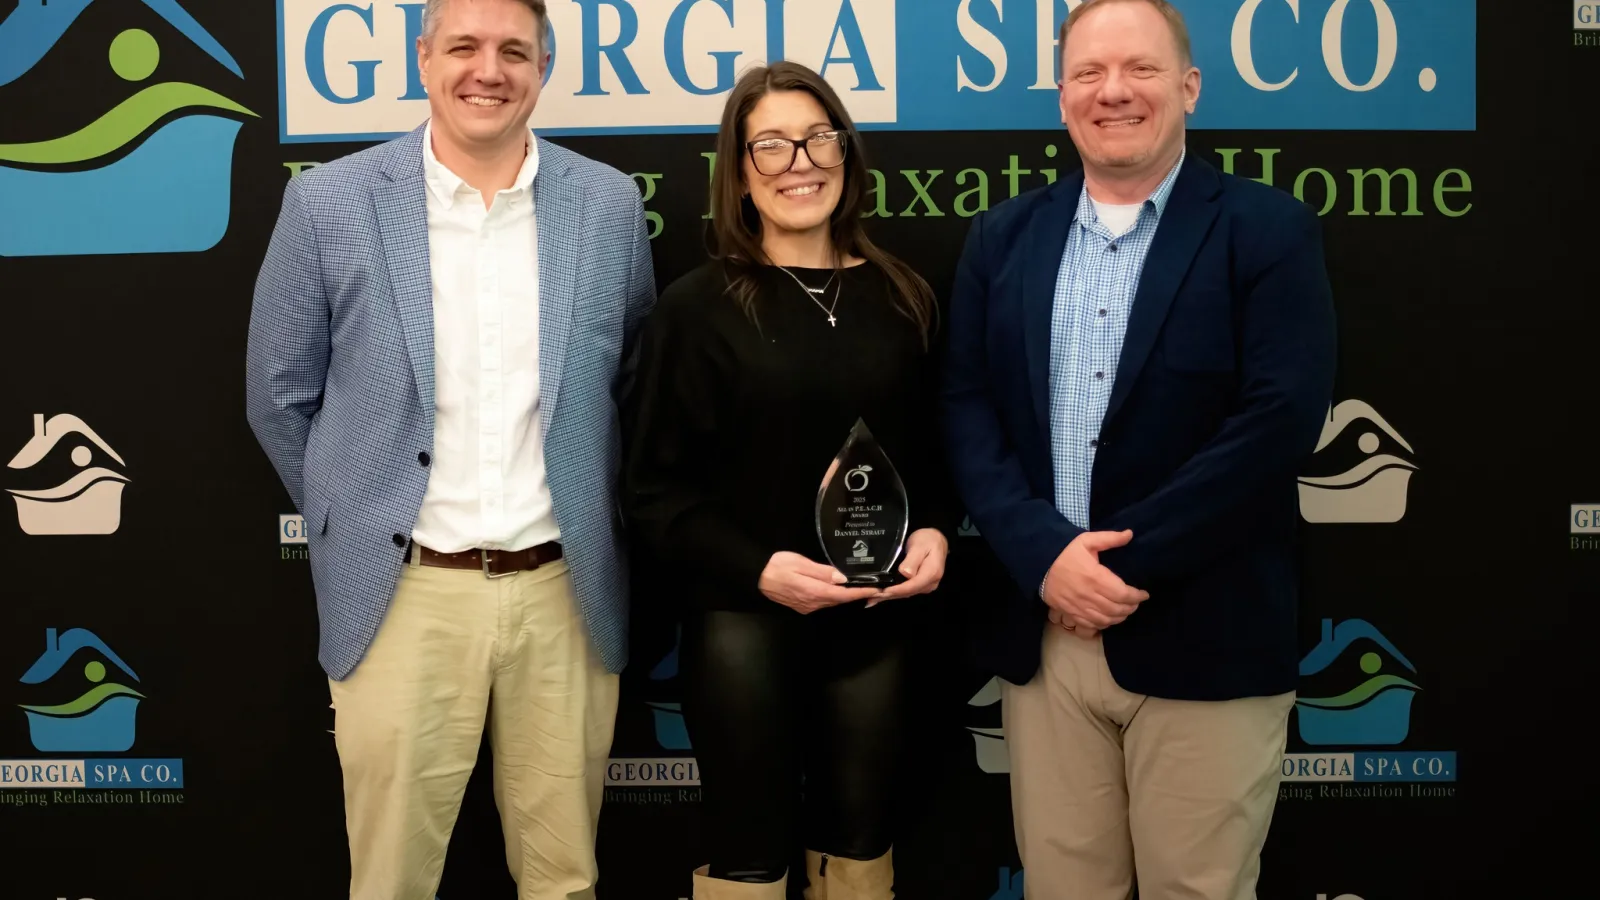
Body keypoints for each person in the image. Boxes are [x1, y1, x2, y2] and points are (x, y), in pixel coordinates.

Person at [245, 0, 654, 896]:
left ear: (543, 66)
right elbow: (280, 395)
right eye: (463, 46)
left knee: (564, 880)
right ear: (423, 59)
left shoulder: (608, 205)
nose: (488, 70)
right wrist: (353, 513)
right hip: (402, 599)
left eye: (514, 50)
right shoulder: (330, 202)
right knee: (391, 880)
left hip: (564, 598)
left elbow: (630, 381)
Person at [940, 0, 1337, 897]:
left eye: (1141, 70)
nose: (1113, 92)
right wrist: (1047, 560)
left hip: (1208, 632)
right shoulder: (1003, 238)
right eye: (1088, 73)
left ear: (1189, 88)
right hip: (1047, 644)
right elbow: (967, 409)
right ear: (1062, 96)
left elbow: (1277, 422)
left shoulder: (1269, 230)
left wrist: (1117, 566)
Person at [621, 61, 957, 900]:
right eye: (769, 145)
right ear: (738, 172)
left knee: (862, 845)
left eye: (818, 138)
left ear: (847, 154)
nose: (798, 162)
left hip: (878, 626)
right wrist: (758, 569)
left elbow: (940, 456)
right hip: (743, 624)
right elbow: (653, 494)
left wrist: (936, 529)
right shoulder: (695, 311)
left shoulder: (905, 297)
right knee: (748, 853)